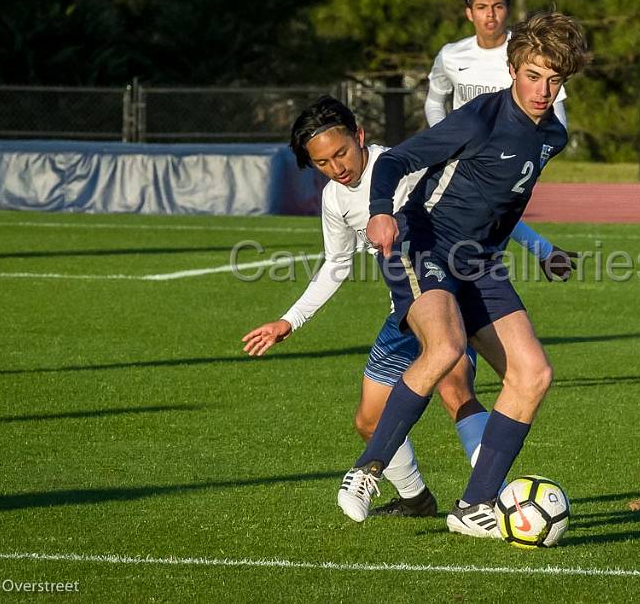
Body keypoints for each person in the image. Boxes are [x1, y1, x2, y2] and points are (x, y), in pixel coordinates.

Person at [241, 97, 574, 517]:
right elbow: (337, 265)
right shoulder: (335, 200)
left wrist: (542, 250)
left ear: (359, 136)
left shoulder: (402, 167)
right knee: (369, 419)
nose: (337, 167)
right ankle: (416, 499)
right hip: (404, 311)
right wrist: (289, 321)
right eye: (322, 162)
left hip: (447, 291)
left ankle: (494, 498)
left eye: (341, 152)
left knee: (456, 387)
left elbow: (494, 208)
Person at [336, 12, 590, 539]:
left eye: (555, 79)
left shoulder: (553, 136)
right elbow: (395, 161)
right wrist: (381, 210)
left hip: (480, 262)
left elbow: (509, 202)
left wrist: (540, 251)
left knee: (533, 374)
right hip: (423, 242)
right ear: (514, 67)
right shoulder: (479, 119)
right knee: (447, 347)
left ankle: (472, 506)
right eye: (534, 75)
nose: (543, 89)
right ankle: (367, 470)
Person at [424, 0, 567, 129]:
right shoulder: (450, 55)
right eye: (482, 7)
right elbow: (434, 103)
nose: (490, 14)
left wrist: (541, 150)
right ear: (469, 13)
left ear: (508, 10)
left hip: (517, 152)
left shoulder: (531, 51)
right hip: (464, 154)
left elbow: (557, 111)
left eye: (498, 6)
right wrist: (444, 139)